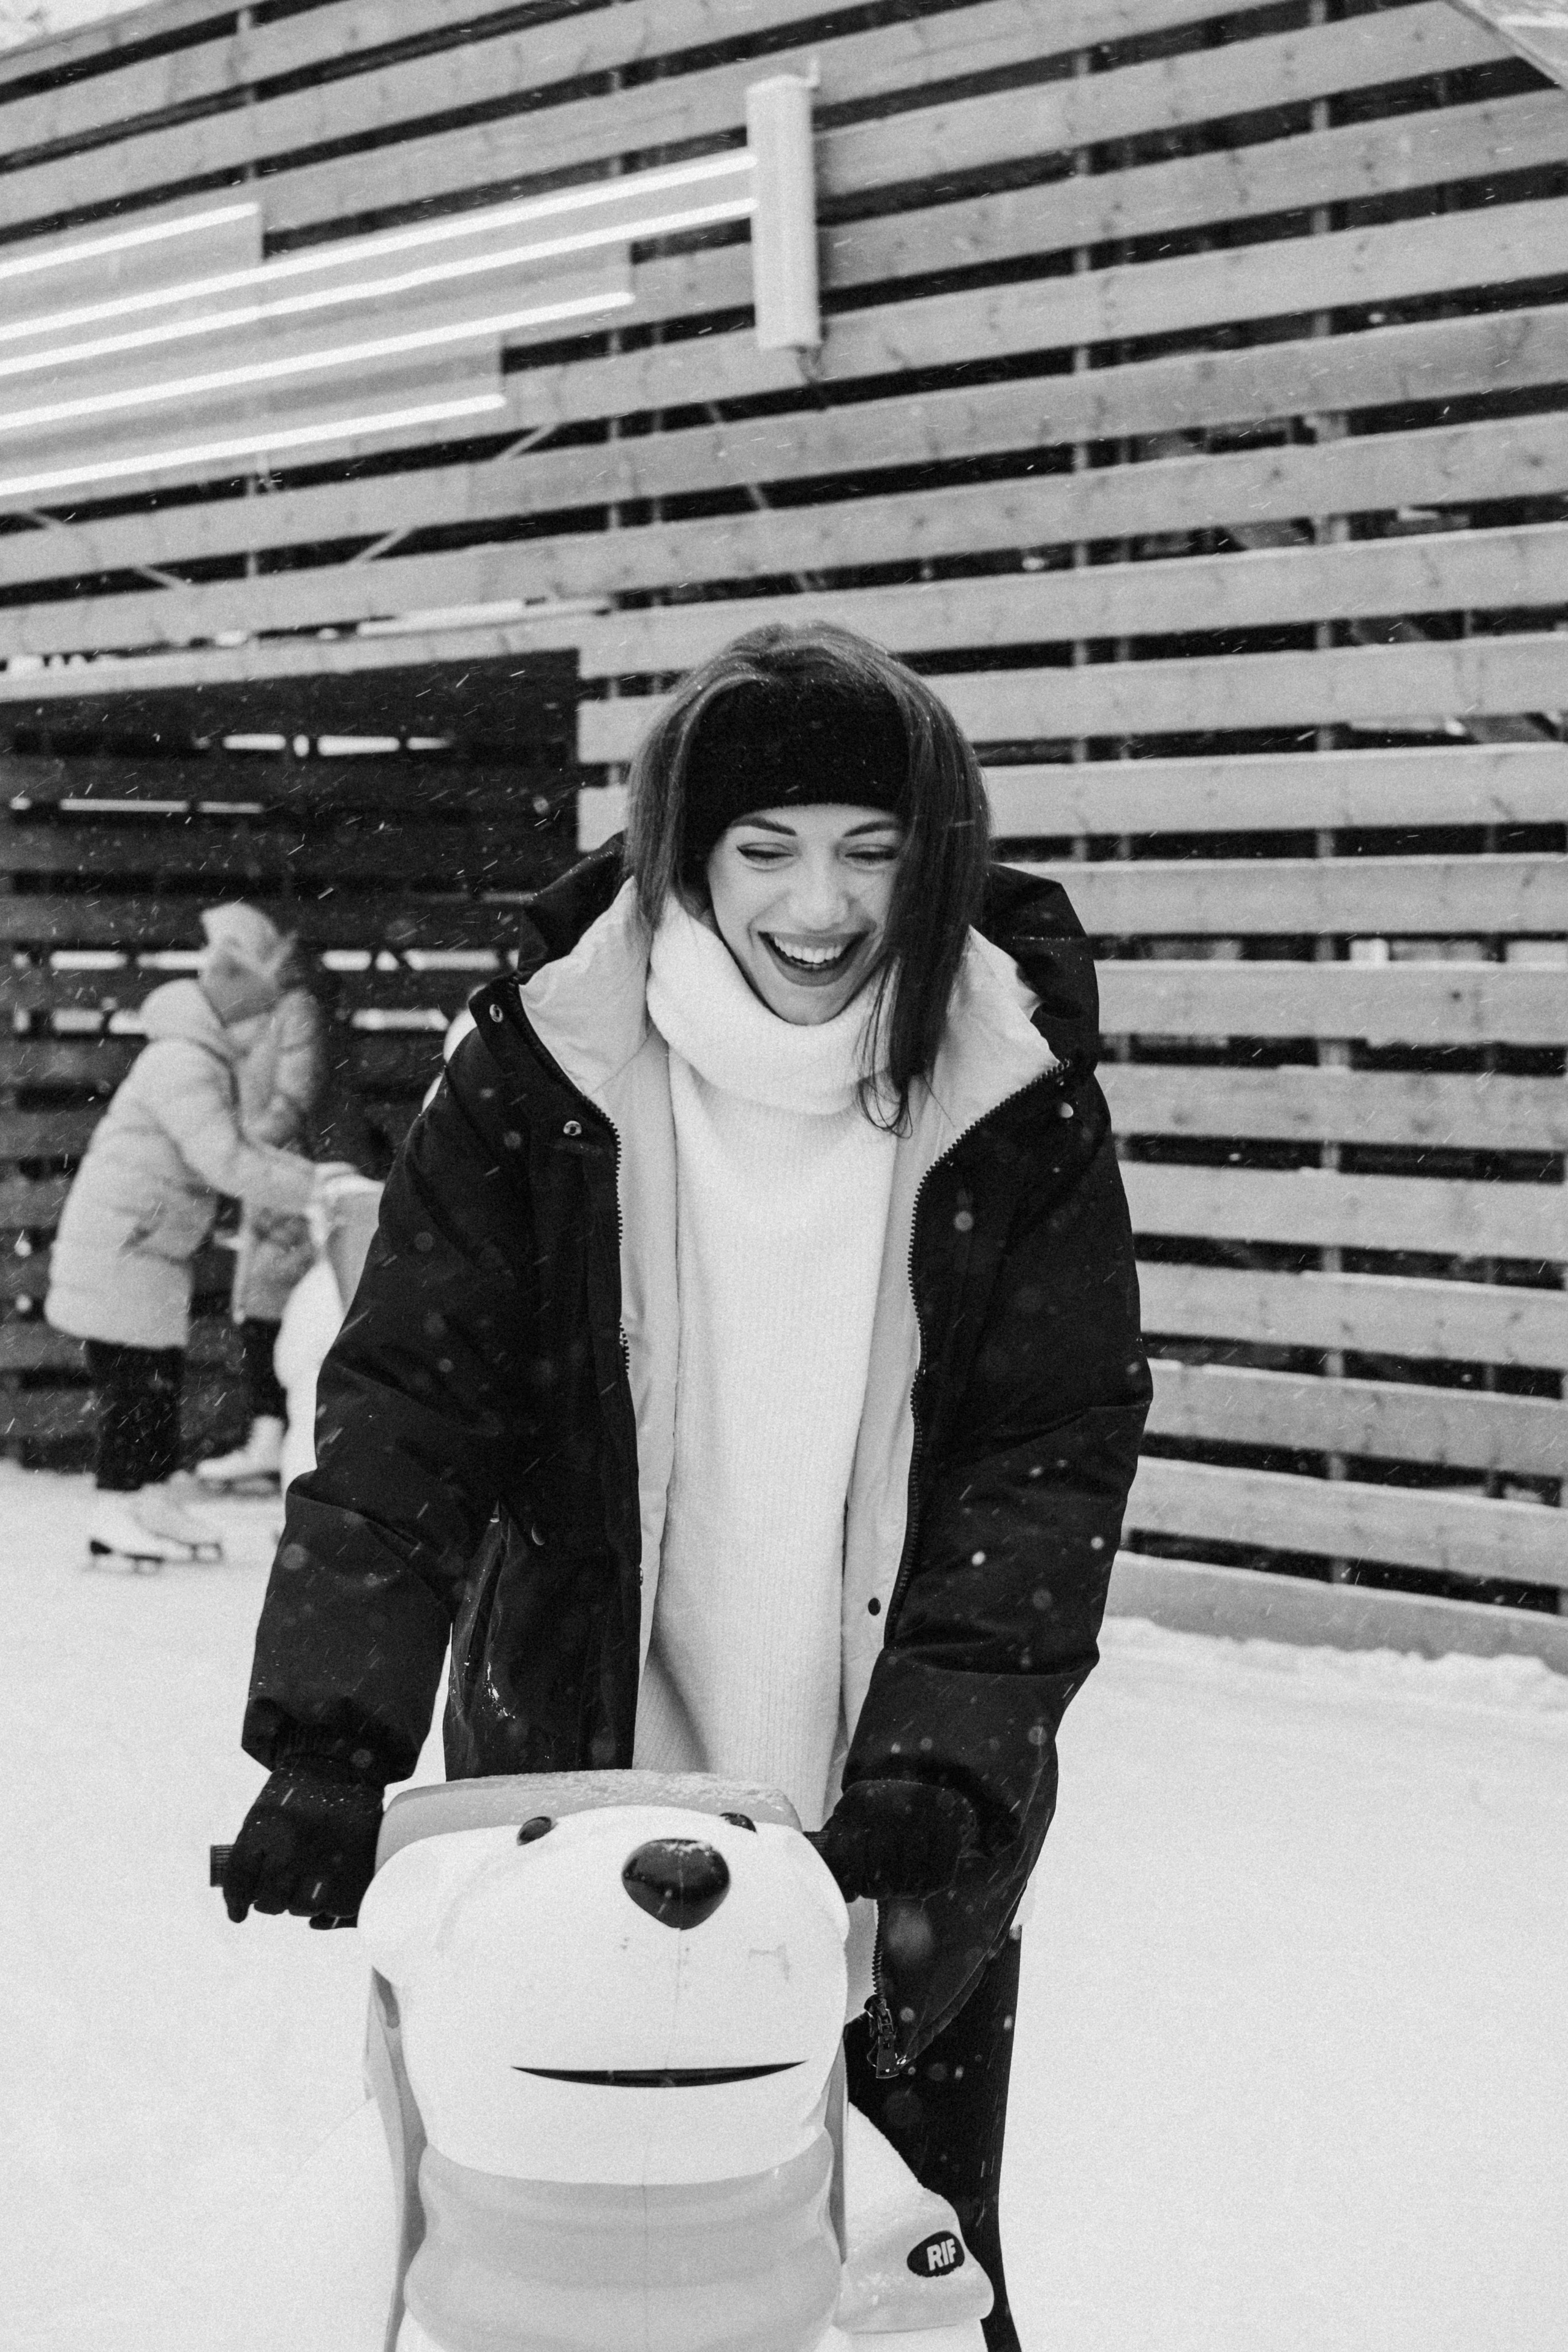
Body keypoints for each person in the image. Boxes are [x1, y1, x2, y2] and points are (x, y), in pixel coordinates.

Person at [221, 625, 1150, 2350]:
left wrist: (944, 1775)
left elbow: (1046, 1457)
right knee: (573, 2291)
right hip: (575, 1806)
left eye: (872, 852)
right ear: (687, 857)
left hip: (892, 1831)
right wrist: (327, 1746)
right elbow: (412, 1406)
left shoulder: (1016, 1092)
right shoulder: (545, 1063)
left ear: (934, 858)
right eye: (765, 850)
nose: (821, 907)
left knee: (904, 2286)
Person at [45, 903, 351, 1569]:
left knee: (156, 1379)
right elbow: (224, 1161)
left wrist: (313, 1176)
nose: (260, 1018)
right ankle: (112, 1508)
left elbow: (238, 1146)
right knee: (132, 1387)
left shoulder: (199, 1057)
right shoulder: (182, 1062)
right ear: (229, 984)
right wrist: (311, 1191)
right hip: (124, 1248)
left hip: (148, 1248)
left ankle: (147, 1496)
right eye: (258, 1002)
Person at [195, 907, 327, 1494]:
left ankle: (277, 1439)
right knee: (257, 1306)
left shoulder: (293, 1007)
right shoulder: (252, 1006)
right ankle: (270, 1435)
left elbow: (295, 1096)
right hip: (264, 1174)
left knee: (278, 1308)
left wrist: (243, 1149)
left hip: (289, 1175)